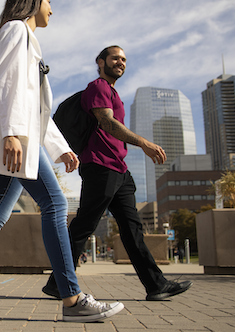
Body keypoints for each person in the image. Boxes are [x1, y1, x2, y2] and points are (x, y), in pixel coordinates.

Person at [0, 0, 124, 322]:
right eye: (49, 0)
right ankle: (72, 298)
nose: (52, 7)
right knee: (55, 203)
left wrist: (59, 147)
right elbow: (10, 86)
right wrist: (12, 135)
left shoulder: (19, 36)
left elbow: (35, 105)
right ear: (34, 1)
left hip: (21, 134)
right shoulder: (16, 30)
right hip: (17, 137)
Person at [42, 46, 193, 301]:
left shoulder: (114, 92)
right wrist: (143, 143)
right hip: (101, 166)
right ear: (101, 62)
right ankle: (58, 282)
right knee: (83, 227)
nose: (120, 62)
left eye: (124, 59)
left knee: (132, 229)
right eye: (115, 58)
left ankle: (156, 285)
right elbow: (107, 122)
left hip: (119, 169)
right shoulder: (98, 87)